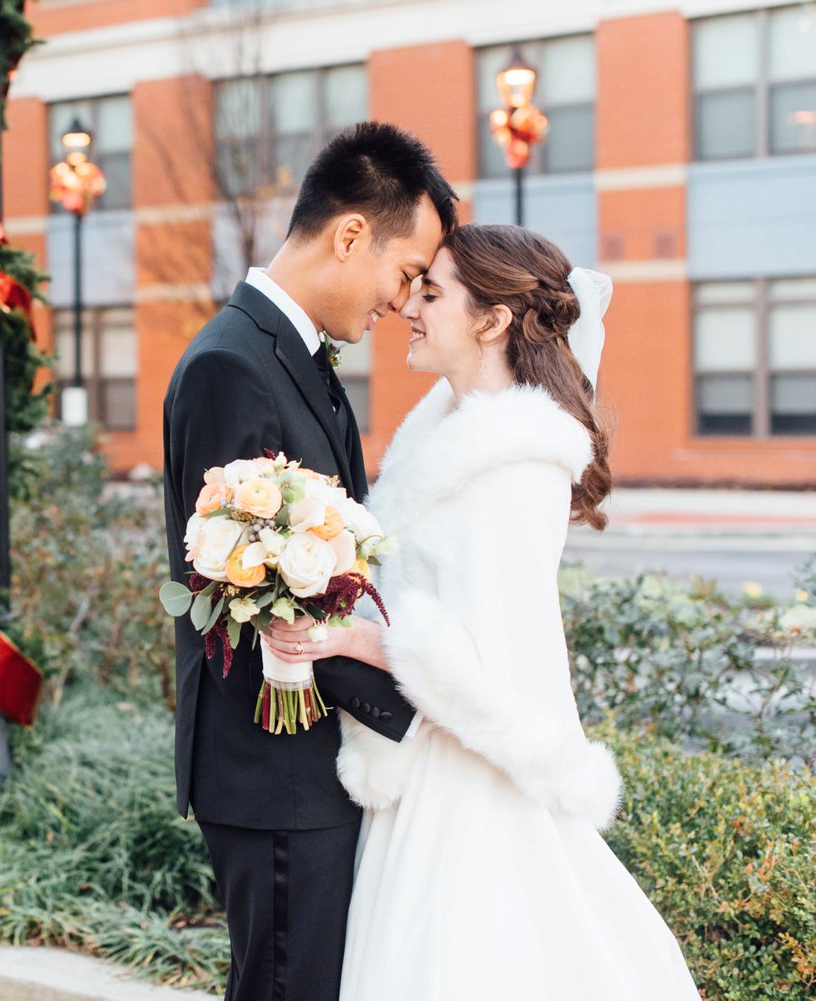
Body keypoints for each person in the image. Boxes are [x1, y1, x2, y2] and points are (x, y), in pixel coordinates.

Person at [278, 223, 700, 999]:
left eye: (432, 294)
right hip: (419, 763)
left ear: (493, 319)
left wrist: (359, 639)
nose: (409, 306)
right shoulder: (447, 440)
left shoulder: (513, 465)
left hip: (466, 783)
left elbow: (488, 667)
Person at [161, 122, 456, 1001]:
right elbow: (251, 600)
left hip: (303, 768)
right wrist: (419, 701)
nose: (404, 302)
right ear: (351, 234)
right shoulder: (231, 364)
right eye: (407, 275)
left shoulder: (292, 359)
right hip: (273, 770)